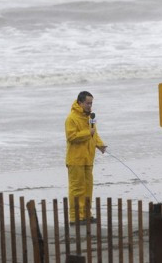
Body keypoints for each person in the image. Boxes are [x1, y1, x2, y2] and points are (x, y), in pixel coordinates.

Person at [65, 91, 107, 224]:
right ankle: (75, 217)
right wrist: (88, 132)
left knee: (88, 187)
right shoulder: (71, 118)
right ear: (80, 103)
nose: (90, 106)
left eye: (91, 103)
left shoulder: (90, 117)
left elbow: (95, 133)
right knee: (77, 188)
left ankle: (86, 215)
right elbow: (71, 137)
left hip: (88, 158)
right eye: (88, 103)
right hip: (75, 160)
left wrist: (100, 145)